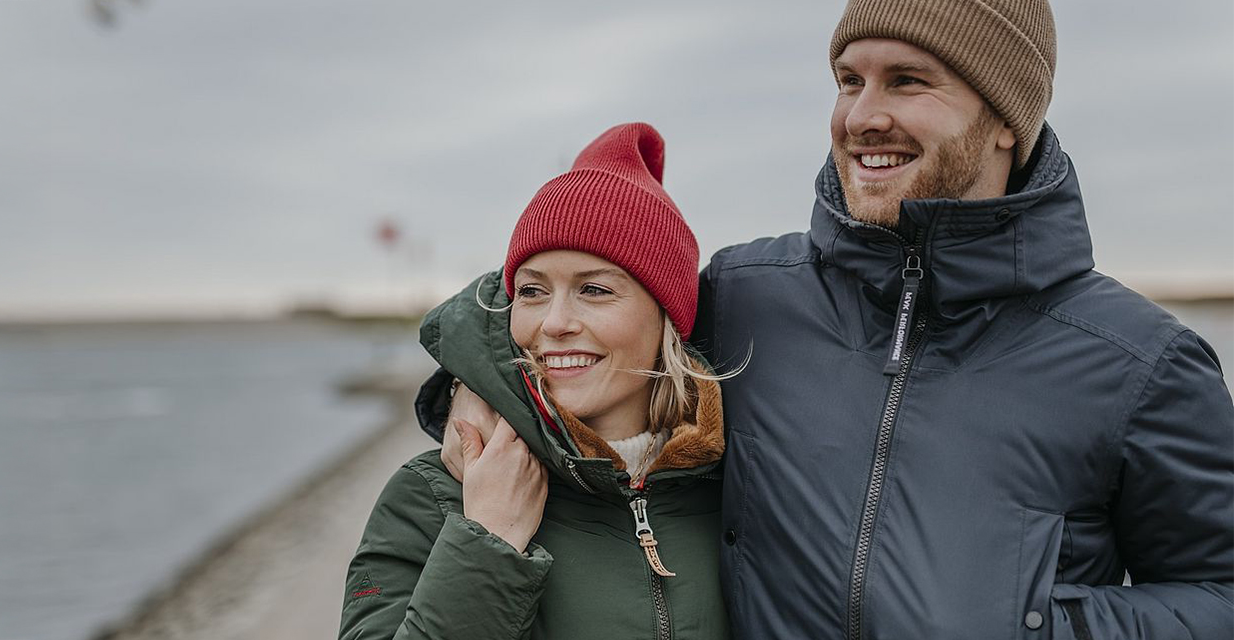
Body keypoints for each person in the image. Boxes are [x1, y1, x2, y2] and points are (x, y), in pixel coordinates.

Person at [423, 1, 1234, 638]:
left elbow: (1219, 593)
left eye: (907, 82)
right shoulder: (745, 297)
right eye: (850, 80)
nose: (861, 116)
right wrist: (478, 389)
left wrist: (1037, 624)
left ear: (1005, 119)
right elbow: (584, 311)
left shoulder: (1142, 365)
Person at [339, 122, 734, 640]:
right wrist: (487, 542)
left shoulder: (737, 483)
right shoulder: (436, 492)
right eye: (531, 291)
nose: (554, 322)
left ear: (667, 318)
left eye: (594, 289)